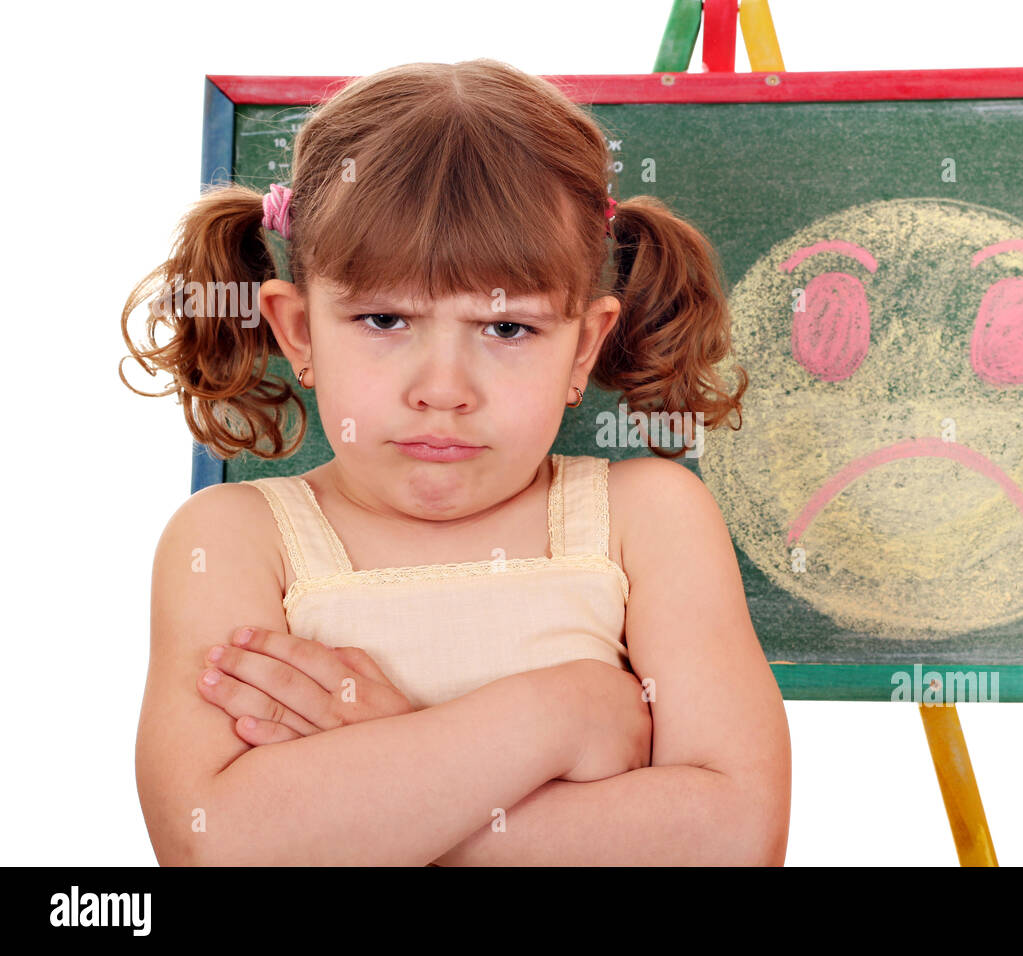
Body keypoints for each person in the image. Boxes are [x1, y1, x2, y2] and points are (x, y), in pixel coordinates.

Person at [121, 59, 790, 866]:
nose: (443, 390)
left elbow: (733, 839)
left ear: (583, 345)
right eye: (382, 319)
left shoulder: (649, 518)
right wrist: (560, 714)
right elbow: (214, 845)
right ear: (298, 332)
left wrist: (386, 792)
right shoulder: (233, 540)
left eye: (507, 331)